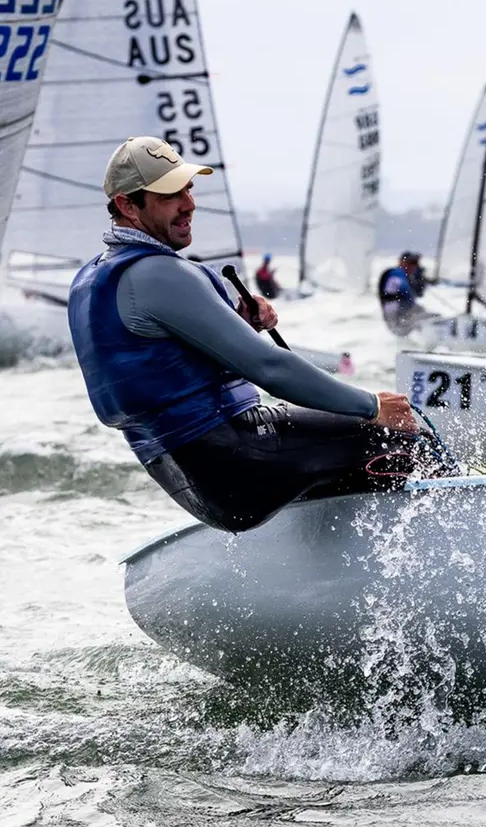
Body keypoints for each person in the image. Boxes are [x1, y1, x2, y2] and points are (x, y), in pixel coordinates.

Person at [67, 136, 458, 534]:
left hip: (193, 482)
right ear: (127, 205)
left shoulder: (89, 283)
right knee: (402, 437)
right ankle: (459, 540)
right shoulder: (157, 273)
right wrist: (373, 406)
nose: (188, 203)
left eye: (188, 188)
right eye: (169, 195)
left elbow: (157, 365)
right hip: (238, 455)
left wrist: (237, 325)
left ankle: (355, 554)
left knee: (356, 461)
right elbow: (270, 367)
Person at [377, 251, 431, 337]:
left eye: (415, 263)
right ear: (401, 262)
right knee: (426, 318)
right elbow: (400, 285)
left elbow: (419, 294)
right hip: (397, 320)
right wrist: (417, 279)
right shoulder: (396, 273)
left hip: (404, 317)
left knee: (430, 315)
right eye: (410, 262)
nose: (413, 266)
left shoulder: (406, 277)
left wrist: (420, 279)